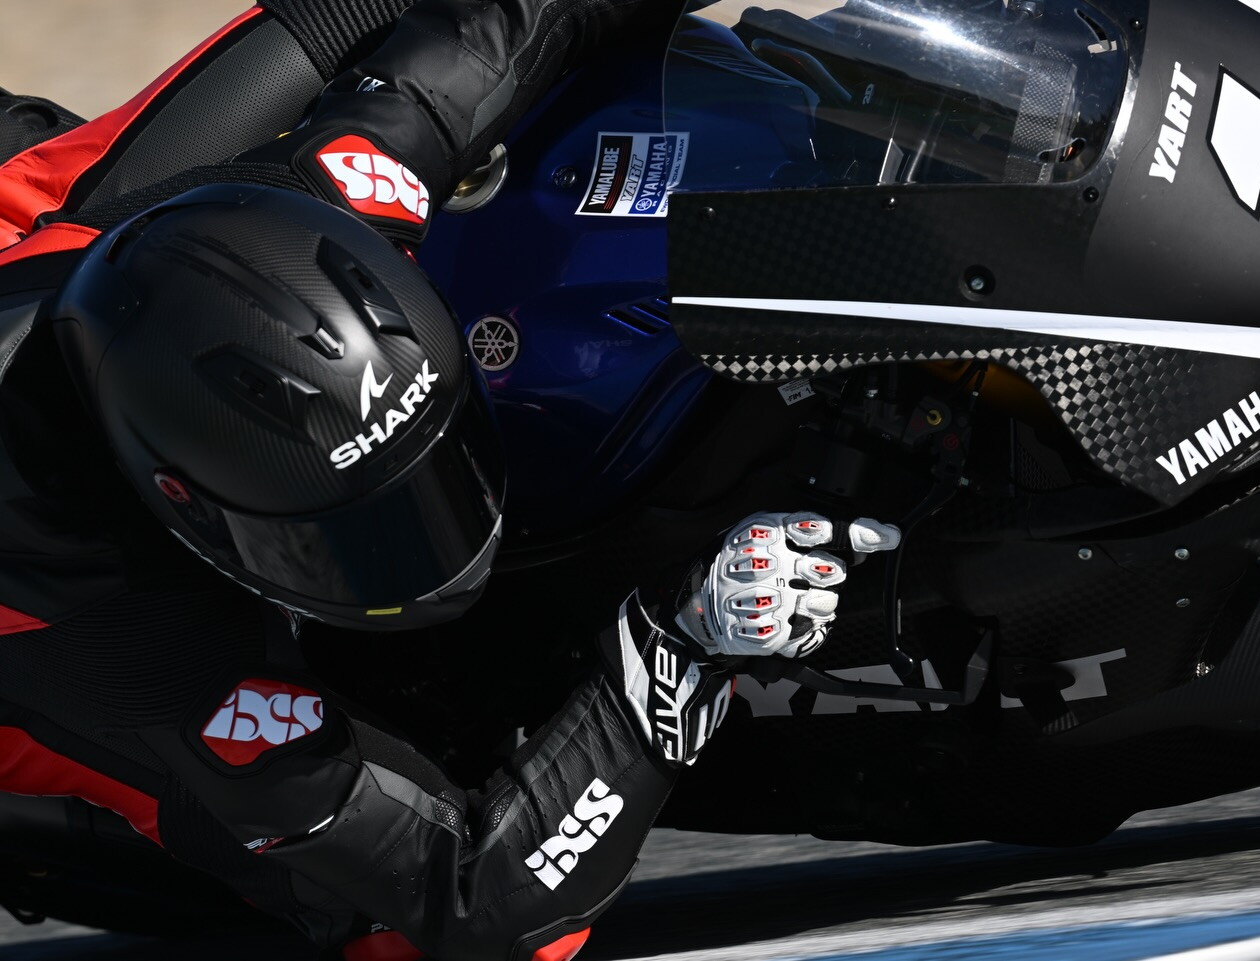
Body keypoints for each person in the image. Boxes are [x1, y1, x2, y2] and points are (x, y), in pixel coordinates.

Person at [0, 2, 901, 959]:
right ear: (181, 501)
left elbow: (462, 21)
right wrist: (676, 651)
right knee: (379, 926)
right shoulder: (135, 657)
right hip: (48, 642)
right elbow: (470, 902)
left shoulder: (322, 179)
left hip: (44, 230)